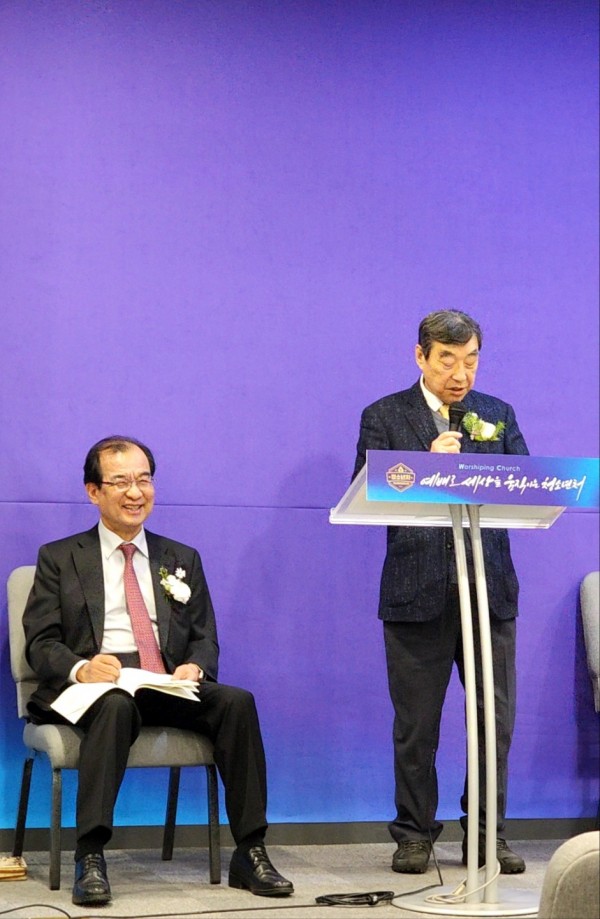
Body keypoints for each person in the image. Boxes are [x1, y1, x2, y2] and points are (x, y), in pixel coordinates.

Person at [23, 435, 293, 907]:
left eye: (144, 480)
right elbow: (40, 643)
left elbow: (205, 636)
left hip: (163, 683)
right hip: (96, 687)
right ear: (93, 491)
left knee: (236, 702)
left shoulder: (180, 558)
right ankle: (90, 856)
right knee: (115, 705)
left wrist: (196, 665)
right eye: (121, 482)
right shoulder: (60, 557)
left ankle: (250, 852)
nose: (135, 492)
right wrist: (82, 667)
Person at [353, 310, 528, 875]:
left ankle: (487, 834)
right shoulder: (384, 415)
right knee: (416, 726)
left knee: (494, 723)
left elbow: (526, 486)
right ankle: (413, 834)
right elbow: (367, 491)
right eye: (448, 360)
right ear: (421, 356)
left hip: (488, 591)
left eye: (471, 361)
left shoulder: (497, 415)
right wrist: (426, 468)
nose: (461, 374)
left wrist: (475, 472)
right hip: (416, 592)